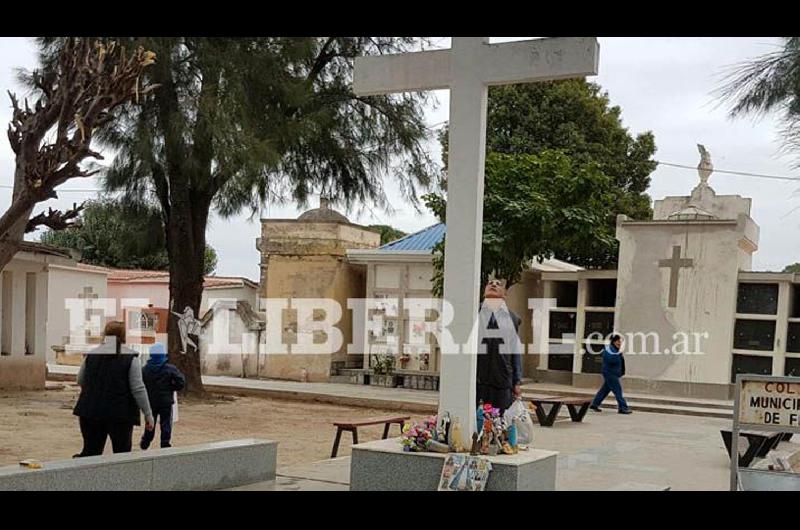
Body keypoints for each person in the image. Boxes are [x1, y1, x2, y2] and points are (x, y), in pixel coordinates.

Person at [73, 321, 155, 456]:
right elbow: (138, 389)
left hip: (90, 411)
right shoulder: (131, 358)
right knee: (121, 454)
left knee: (91, 453)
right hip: (120, 414)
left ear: (105, 335)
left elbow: (80, 379)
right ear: (124, 336)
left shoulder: (92, 355)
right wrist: (148, 414)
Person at [476, 278, 523, 414]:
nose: (494, 284)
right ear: (484, 292)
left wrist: (517, 380)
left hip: (502, 378)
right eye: (490, 283)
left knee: (500, 421)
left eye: (498, 284)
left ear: (505, 294)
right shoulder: (474, 312)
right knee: (477, 419)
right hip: (478, 378)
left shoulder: (513, 318)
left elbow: (515, 350)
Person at [140, 342, 186, 449]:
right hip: (166, 401)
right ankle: (165, 442)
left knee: (150, 421)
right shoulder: (170, 369)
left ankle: (146, 440)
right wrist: (172, 388)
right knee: (166, 422)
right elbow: (181, 382)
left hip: (150, 401)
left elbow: (141, 384)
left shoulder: (145, 369)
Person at [589, 334, 632, 414]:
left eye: (620, 341)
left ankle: (594, 404)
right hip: (610, 374)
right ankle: (623, 408)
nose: (619, 343)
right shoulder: (610, 349)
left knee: (604, 390)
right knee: (618, 391)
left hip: (613, 373)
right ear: (613, 341)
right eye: (618, 341)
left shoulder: (615, 350)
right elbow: (611, 360)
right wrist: (618, 355)